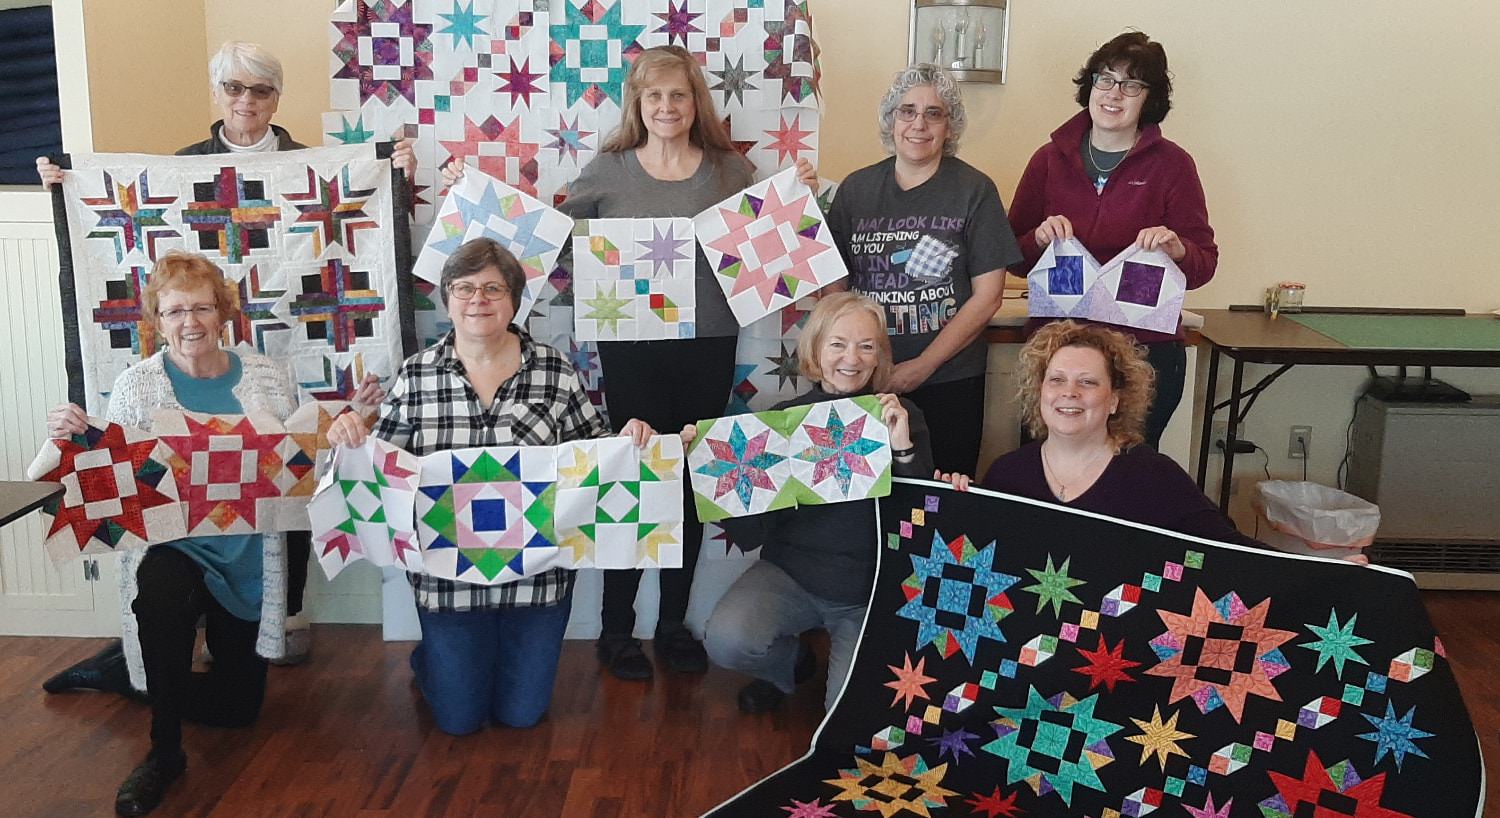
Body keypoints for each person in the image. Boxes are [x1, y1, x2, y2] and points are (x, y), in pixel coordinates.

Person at [37, 40, 406, 688]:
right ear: (219, 94)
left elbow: (365, 229)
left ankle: (278, 614)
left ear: (276, 99)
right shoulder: (182, 170)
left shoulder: (314, 167)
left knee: (279, 462)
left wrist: (393, 179)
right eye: (234, 88)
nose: (246, 102)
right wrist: (64, 190)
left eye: (260, 91)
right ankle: (159, 645)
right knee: (194, 468)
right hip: (203, 335)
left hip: (291, 334)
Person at [441, 45, 814, 681]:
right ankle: (617, 630)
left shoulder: (729, 170)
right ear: (638, 105)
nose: (666, 107)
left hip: (707, 344)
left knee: (692, 484)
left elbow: (769, 247)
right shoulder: (610, 170)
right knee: (632, 477)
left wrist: (799, 198)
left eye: (678, 95)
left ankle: (673, 625)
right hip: (630, 347)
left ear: (696, 102)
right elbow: (546, 242)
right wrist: (468, 198)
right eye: (654, 96)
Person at [325, 238, 661, 735]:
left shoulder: (555, 372)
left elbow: (596, 453)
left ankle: (464, 664)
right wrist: (349, 435)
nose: (477, 299)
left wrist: (635, 442)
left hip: (538, 577)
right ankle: (435, 661)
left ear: (514, 299)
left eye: (492, 288)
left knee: (522, 716)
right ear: (446, 298)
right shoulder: (416, 376)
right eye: (463, 288)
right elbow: (383, 465)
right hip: (448, 579)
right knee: (459, 722)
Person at [43, 252, 306, 816]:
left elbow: (295, 467)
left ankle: (125, 675)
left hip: (245, 552)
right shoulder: (138, 386)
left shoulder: (268, 377)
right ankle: (163, 753)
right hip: (174, 547)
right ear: (157, 322)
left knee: (238, 712)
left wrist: (347, 418)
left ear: (224, 314)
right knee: (159, 599)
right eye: (174, 311)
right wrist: (82, 434)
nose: (190, 322)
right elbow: (117, 477)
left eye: (202, 308)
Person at [699, 293, 934, 713]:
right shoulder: (785, 418)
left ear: (880, 354)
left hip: (870, 590)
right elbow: (750, 531)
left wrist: (903, 448)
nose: (853, 357)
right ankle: (793, 664)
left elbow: (921, 518)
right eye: (838, 343)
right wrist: (707, 461)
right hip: (793, 576)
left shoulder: (904, 417)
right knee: (728, 639)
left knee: (846, 719)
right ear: (816, 348)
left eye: (867, 346)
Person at [1008, 31, 1217, 449]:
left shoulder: (1173, 165)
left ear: (1149, 99)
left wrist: (1177, 248)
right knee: (1045, 466)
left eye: (1131, 85)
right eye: (1105, 79)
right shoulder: (1048, 160)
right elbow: (1011, 255)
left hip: (1143, 354)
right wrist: (1038, 238)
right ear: (1090, 85)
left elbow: (1204, 264)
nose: (1114, 93)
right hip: (1059, 349)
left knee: (1126, 476)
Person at [826, 63, 1022, 477]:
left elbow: (988, 296)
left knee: (940, 496)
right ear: (890, 120)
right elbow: (834, 290)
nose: (919, 123)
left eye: (934, 113)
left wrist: (924, 364)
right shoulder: (856, 190)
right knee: (869, 493)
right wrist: (857, 362)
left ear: (950, 126)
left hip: (951, 378)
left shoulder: (974, 191)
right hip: (865, 378)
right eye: (907, 111)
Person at [939, 321, 1258, 547]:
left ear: (1116, 399)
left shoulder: (1154, 477)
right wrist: (951, 508)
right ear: (1040, 392)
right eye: (1056, 380)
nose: (1070, 393)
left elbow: (1232, 554)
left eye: (1088, 382)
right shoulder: (1007, 474)